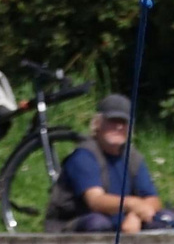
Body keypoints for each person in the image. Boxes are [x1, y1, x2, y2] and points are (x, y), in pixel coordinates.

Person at [57, 94, 163, 234]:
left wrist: (136, 215)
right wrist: (133, 204)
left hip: (123, 224)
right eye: (112, 121)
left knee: (163, 219)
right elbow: (95, 201)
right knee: (98, 223)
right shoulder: (84, 155)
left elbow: (153, 199)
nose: (118, 126)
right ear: (97, 123)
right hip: (75, 226)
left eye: (123, 122)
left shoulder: (133, 157)